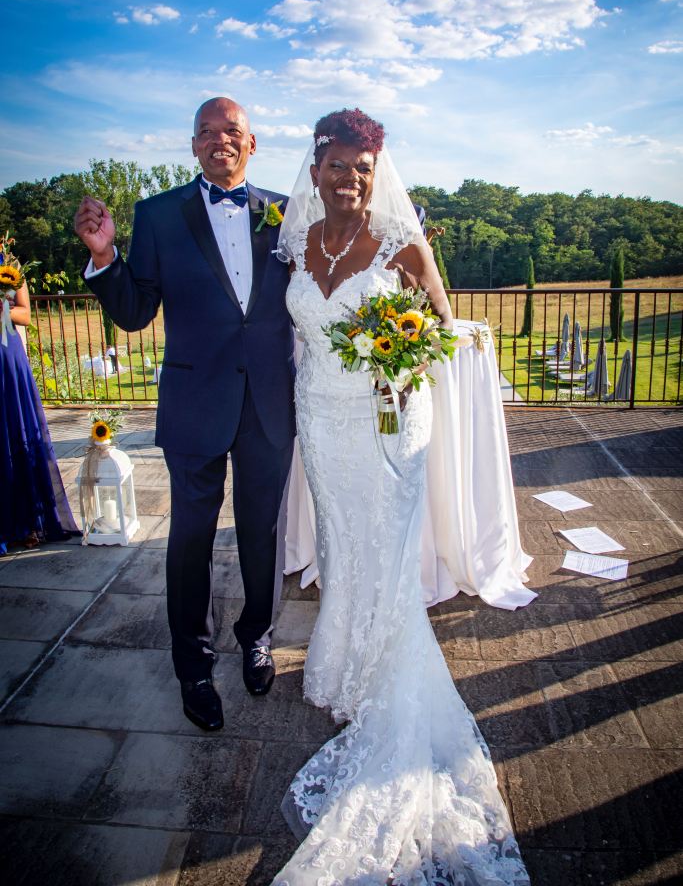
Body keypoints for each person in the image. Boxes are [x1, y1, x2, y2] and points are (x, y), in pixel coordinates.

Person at [272, 109, 531, 884]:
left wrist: (409, 349)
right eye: (335, 166)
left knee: (383, 548)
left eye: (361, 168)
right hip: (319, 417)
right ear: (314, 169)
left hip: (390, 421)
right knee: (345, 542)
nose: (347, 179)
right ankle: (343, 663)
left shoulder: (402, 245)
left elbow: (443, 328)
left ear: (375, 174)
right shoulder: (294, 241)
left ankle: (388, 678)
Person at [73, 97, 296, 731]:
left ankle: (257, 635)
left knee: (262, 533)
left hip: (269, 406)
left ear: (251, 144)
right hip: (195, 403)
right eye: (206, 132)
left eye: (231, 131)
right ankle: (193, 667)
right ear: (192, 146)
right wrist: (105, 257)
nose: (218, 140)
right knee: (190, 541)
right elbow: (135, 311)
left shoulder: (287, 212)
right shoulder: (157, 215)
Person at [0, 265, 78, 550]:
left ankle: (25, 523)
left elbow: (25, 314)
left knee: (16, 434)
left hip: (7, 358)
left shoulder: (9, 266)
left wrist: (2, 310)